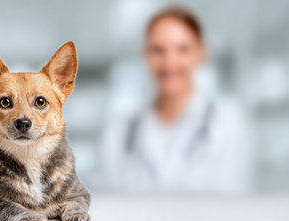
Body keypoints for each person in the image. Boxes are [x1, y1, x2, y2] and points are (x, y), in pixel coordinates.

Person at [100, 6, 252, 194]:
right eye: (158, 50)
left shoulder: (228, 125)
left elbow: (234, 205)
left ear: (200, 53)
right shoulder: (120, 131)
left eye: (182, 49)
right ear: (145, 54)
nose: (170, 62)